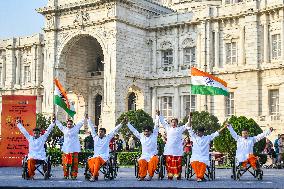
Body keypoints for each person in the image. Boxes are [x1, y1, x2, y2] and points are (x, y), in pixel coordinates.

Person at [187, 114, 227, 182]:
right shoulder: (193, 137)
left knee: (203, 163)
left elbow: (216, 133)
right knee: (194, 163)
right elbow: (189, 127)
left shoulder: (207, 138)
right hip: (195, 156)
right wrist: (190, 118)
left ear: (203, 132)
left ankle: (199, 177)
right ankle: (200, 177)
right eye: (198, 132)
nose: (198, 133)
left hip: (204, 156)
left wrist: (224, 126)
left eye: (200, 132)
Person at [87, 116, 124, 182]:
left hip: (103, 157)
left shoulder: (107, 138)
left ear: (104, 133)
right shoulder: (95, 138)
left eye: (101, 132)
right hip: (95, 156)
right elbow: (92, 129)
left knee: (98, 159)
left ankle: (93, 176)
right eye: (99, 132)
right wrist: (88, 119)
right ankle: (95, 174)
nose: (100, 133)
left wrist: (121, 124)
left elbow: (114, 130)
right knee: (90, 160)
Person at [157, 110, 189, 180]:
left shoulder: (180, 129)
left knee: (178, 163)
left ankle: (178, 175)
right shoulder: (168, 128)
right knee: (169, 163)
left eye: (175, 122)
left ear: (177, 123)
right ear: (170, 123)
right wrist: (159, 115)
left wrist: (190, 118)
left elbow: (187, 124)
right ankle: (170, 175)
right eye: (172, 122)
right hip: (169, 150)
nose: (174, 123)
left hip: (178, 150)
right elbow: (163, 121)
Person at [126, 115, 159, 181]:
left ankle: (150, 175)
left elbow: (156, 125)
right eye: (145, 131)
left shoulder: (154, 135)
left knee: (153, 161)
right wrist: (127, 123)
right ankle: (142, 176)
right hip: (144, 155)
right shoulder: (141, 136)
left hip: (153, 155)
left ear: (151, 131)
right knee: (141, 161)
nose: (146, 133)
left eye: (147, 131)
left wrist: (157, 116)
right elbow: (134, 131)